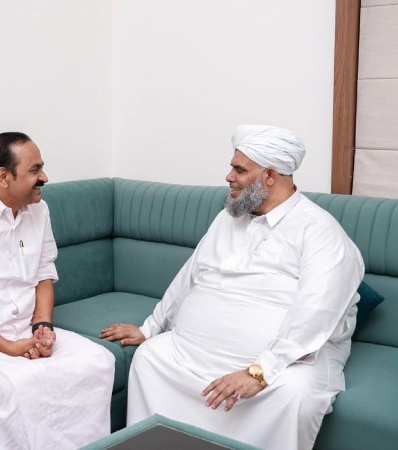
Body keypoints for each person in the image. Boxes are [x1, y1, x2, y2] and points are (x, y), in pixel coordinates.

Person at [101, 125, 365, 450]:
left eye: (239, 170)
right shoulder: (228, 218)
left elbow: (316, 312)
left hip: (280, 362)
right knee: (151, 357)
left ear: (270, 175)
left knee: (296, 394)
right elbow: (189, 276)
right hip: (193, 351)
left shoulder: (319, 230)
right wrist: (150, 328)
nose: (229, 177)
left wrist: (259, 373)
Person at [0, 132, 114, 450]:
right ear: (4, 176)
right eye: (34, 170)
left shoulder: (39, 211)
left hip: (25, 331)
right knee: (22, 385)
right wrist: (7, 347)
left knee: (99, 361)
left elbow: (44, 274)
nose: (44, 177)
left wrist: (43, 327)